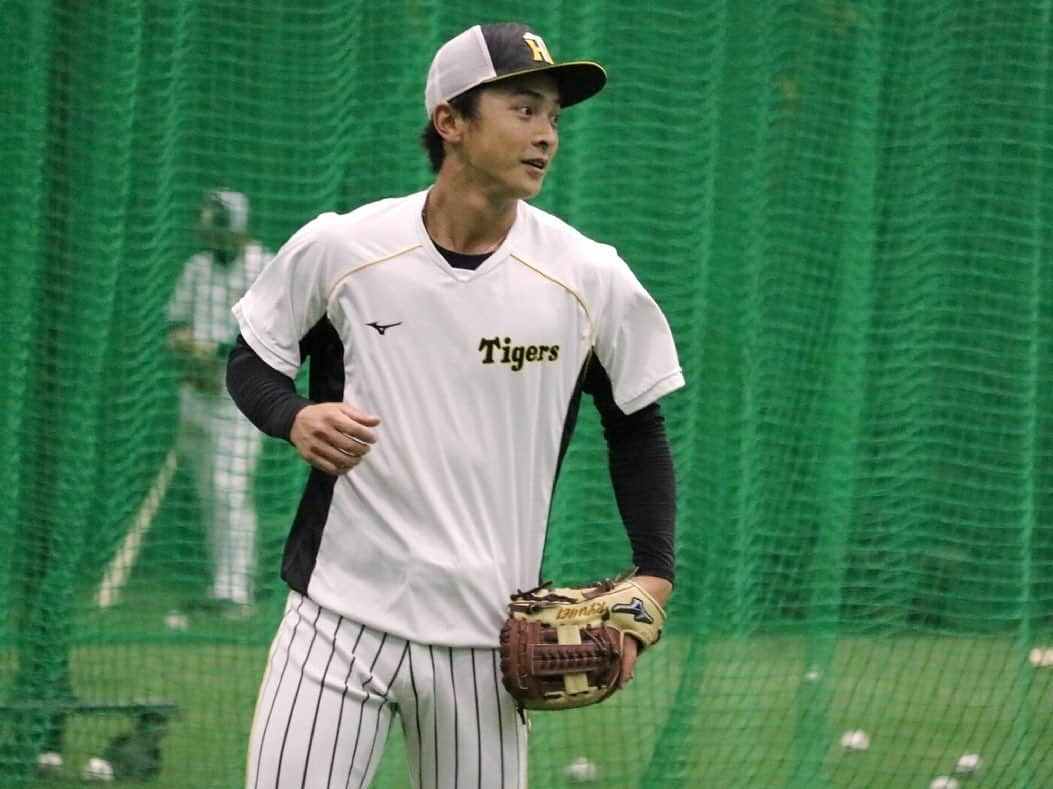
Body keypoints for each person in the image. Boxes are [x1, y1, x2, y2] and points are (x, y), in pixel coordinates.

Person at [226, 22, 684, 788]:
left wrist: (654, 574)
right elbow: (252, 360)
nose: (546, 135)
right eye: (524, 108)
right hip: (336, 619)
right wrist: (294, 415)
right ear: (450, 122)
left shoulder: (586, 275)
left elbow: (637, 426)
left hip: (488, 640)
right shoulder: (345, 248)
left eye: (553, 118)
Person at [167, 189, 270, 614]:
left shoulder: (263, 265)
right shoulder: (197, 267)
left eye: (218, 229)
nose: (211, 237)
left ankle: (237, 591)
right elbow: (175, 321)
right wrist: (183, 343)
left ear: (237, 228)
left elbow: (268, 334)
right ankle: (222, 583)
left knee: (230, 490)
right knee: (210, 492)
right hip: (196, 393)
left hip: (239, 400)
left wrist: (212, 350)